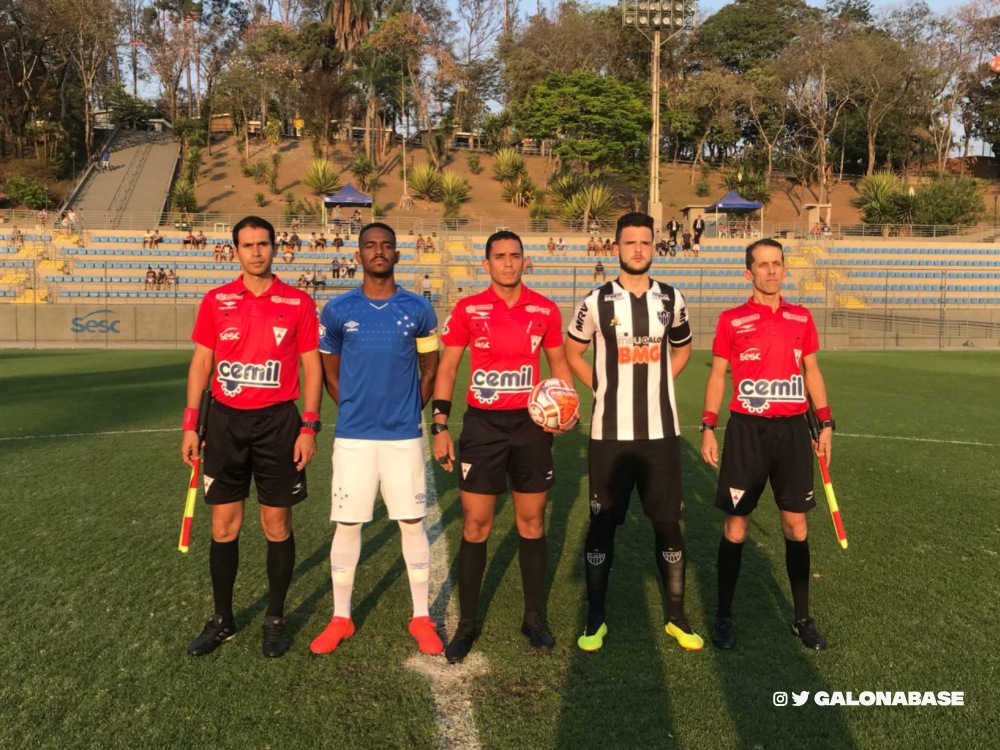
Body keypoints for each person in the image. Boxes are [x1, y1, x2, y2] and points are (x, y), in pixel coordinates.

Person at [432, 230, 578, 663]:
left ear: (524, 261)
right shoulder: (467, 309)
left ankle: (533, 617)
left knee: (531, 522)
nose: (508, 263)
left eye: (515, 256)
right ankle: (468, 622)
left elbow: (559, 366)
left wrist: (566, 408)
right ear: (487, 263)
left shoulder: (545, 309)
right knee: (476, 524)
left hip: (531, 427)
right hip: (482, 427)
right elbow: (448, 367)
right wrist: (440, 423)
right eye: (500, 256)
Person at [181, 215, 322, 658]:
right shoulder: (216, 300)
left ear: (275, 248)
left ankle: (275, 619)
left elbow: (312, 366)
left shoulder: (297, 302)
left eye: (263, 244)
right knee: (224, 526)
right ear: (235, 251)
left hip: (279, 424)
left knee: (276, 524)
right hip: (224, 424)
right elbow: (202, 364)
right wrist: (190, 424)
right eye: (248, 245)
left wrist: (309, 425)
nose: (256, 252)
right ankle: (223, 618)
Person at [564, 212, 702, 654]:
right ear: (616, 248)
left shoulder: (671, 298)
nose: (638, 249)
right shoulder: (595, 301)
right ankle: (596, 618)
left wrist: (663, 382)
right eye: (630, 242)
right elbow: (572, 350)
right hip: (609, 434)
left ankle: (677, 618)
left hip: (661, 433)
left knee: (667, 523)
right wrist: (600, 385)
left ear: (654, 247)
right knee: (603, 523)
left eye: (645, 242)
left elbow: (683, 347)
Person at [310, 222, 444, 656]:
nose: (379, 251)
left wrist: (410, 409)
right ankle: (341, 617)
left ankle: (421, 617)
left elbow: (430, 368)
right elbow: (329, 371)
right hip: (354, 436)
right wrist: (350, 406)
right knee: (347, 523)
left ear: (397, 255)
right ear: (359, 255)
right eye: (370, 246)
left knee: (411, 523)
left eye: (387, 245)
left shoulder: (419, 310)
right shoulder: (337, 311)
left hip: (403, 436)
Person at [699, 238, 834, 652]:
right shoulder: (731, 320)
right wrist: (708, 426)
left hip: (793, 431)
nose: (771, 271)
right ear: (748, 273)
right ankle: (724, 616)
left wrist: (826, 422)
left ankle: (801, 618)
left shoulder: (801, 318)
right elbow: (718, 375)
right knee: (736, 525)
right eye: (763, 265)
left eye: (777, 264)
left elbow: (811, 371)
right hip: (747, 433)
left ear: (784, 270)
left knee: (796, 524)